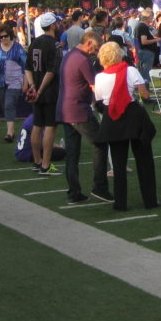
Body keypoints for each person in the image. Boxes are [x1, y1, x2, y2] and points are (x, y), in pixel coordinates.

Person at [94, 41, 158, 211]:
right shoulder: (130, 70)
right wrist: (139, 94)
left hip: (112, 118)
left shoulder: (99, 77)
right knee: (144, 161)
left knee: (118, 163)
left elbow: (99, 101)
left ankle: (120, 202)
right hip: (133, 116)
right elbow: (144, 93)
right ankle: (150, 201)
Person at [57, 31, 111, 204]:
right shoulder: (82, 59)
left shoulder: (70, 55)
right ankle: (100, 187)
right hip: (78, 109)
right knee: (100, 143)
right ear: (88, 43)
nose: (95, 52)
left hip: (66, 109)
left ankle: (74, 191)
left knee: (72, 153)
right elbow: (95, 85)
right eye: (95, 48)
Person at [25, 12, 63, 175]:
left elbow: (27, 67)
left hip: (36, 88)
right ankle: (46, 164)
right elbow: (51, 71)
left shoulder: (34, 42)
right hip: (49, 91)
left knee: (37, 125)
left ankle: (37, 161)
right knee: (49, 127)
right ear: (53, 25)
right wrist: (40, 89)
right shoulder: (54, 45)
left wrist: (33, 86)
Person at [0, 27, 27, 143]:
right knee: (4, 106)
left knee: (9, 105)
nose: (3, 38)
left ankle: (10, 133)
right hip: (1, 81)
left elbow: (26, 66)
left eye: (5, 36)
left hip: (15, 81)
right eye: (1, 37)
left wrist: (25, 83)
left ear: (10, 35)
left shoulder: (18, 48)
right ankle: (11, 129)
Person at [134, 9, 159, 77]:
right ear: (148, 17)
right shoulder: (143, 26)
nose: (152, 18)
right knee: (146, 73)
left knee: (145, 72)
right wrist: (155, 40)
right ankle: (146, 86)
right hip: (147, 52)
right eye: (151, 16)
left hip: (144, 52)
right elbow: (144, 41)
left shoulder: (140, 25)